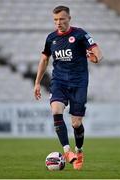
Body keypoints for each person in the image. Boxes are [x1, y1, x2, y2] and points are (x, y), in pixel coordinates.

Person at [34, 5, 103, 170]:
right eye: (55, 20)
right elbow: (44, 60)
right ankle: (66, 151)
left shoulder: (80, 34)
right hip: (58, 81)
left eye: (61, 19)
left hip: (78, 82)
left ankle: (79, 151)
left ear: (69, 19)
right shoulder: (51, 38)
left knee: (76, 123)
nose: (58, 22)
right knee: (56, 110)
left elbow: (97, 52)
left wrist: (95, 57)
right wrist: (37, 82)